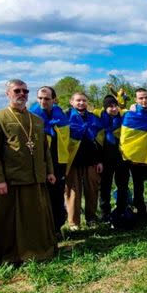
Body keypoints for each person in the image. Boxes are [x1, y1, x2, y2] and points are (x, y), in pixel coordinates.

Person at [0, 79, 56, 265]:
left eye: (25, 91)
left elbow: (44, 148)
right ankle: (10, 255)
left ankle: (40, 251)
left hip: (36, 177)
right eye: (17, 90)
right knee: (10, 220)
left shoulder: (37, 120)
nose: (22, 94)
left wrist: (49, 171)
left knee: (37, 217)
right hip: (12, 180)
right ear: (8, 93)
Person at [30, 86, 69, 237]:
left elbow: (67, 141)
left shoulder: (61, 116)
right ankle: (41, 231)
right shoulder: (32, 117)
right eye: (40, 98)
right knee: (40, 198)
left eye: (46, 98)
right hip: (40, 164)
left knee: (57, 196)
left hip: (58, 162)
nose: (43, 101)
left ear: (54, 99)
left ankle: (57, 228)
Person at [120, 88, 147, 219]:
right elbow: (126, 138)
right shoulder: (130, 115)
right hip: (136, 159)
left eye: (146, 97)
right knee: (138, 187)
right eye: (141, 98)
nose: (144, 100)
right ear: (135, 100)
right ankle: (141, 211)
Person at [65, 92, 104, 229]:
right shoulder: (66, 117)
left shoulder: (93, 118)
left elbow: (99, 141)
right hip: (73, 161)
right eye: (78, 100)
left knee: (92, 191)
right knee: (73, 192)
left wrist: (99, 161)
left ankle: (91, 218)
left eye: (84, 100)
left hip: (91, 161)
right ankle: (73, 223)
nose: (81, 103)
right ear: (71, 102)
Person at [99, 95, 130, 223]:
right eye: (110, 106)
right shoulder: (99, 120)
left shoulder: (124, 118)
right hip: (106, 159)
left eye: (115, 106)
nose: (113, 108)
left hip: (122, 159)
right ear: (105, 108)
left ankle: (121, 209)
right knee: (105, 187)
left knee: (123, 185)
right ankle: (105, 212)